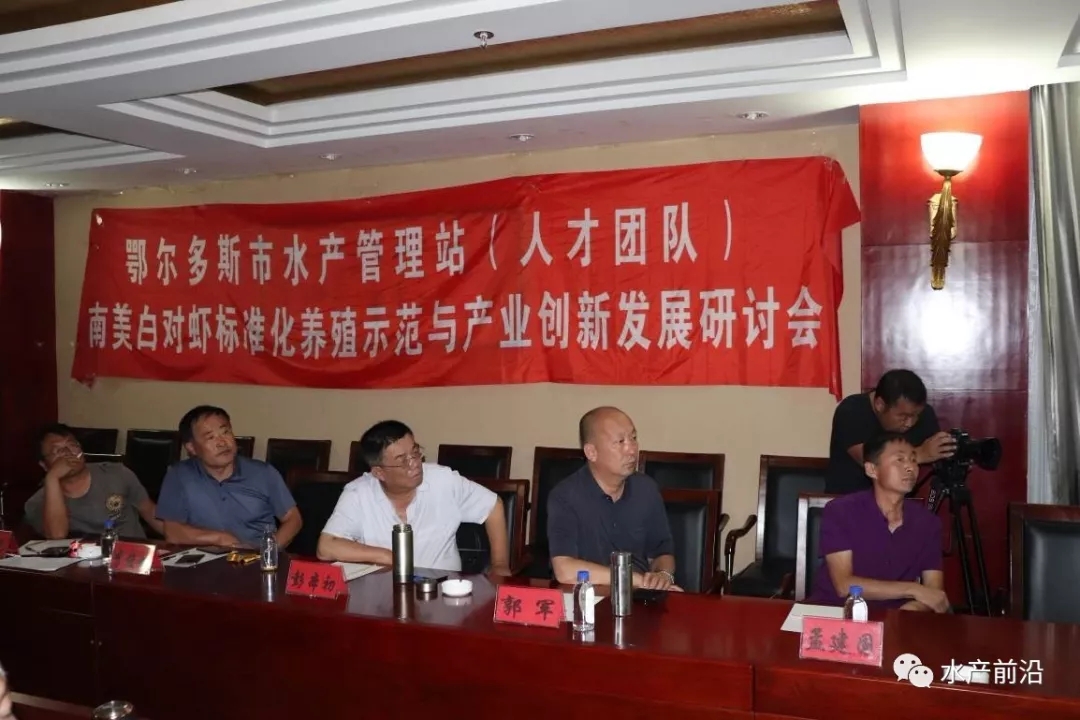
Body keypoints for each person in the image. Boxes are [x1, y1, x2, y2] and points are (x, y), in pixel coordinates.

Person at [317, 420, 511, 575]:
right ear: (379, 472)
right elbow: (326, 548)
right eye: (403, 461)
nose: (415, 463)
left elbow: (493, 506)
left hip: (442, 593)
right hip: (382, 595)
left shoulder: (443, 480)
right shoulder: (358, 493)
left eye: (415, 453)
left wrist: (500, 564)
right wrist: (388, 557)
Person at [809, 432, 949, 612]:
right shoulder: (840, 511)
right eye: (899, 460)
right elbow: (844, 586)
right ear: (871, 470)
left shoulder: (928, 522)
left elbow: (934, 593)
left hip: (896, 617)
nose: (910, 467)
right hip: (835, 612)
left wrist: (910, 610)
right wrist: (912, 589)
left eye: (913, 460)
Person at [547, 406, 680, 590]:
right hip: (587, 597)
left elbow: (661, 553)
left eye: (633, 438)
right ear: (591, 452)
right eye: (620, 442)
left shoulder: (646, 489)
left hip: (640, 599)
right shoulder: (565, 496)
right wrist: (637, 581)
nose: (631, 450)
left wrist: (662, 575)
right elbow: (565, 570)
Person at [156, 405, 301, 548]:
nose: (222, 443)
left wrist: (268, 552)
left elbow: (293, 519)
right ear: (192, 448)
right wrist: (219, 538)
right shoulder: (179, 475)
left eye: (225, 432)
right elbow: (173, 531)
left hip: (255, 556)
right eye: (210, 437)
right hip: (203, 559)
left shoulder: (263, 473)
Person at [825, 369, 956, 495]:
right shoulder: (852, 410)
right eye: (903, 416)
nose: (910, 423)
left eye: (915, 415)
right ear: (880, 405)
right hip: (848, 501)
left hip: (902, 502)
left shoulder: (924, 414)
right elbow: (870, 460)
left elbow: (935, 456)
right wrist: (921, 454)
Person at [24, 423, 162, 540]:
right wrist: (52, 478)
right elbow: (57, 535)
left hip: (130, 555)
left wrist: (173, 540)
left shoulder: (117, 473)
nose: (68, 453)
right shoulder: (37, 502)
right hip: (80, 561)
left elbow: (150, 511)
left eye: (72, 445)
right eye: (57, 451)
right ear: (44, 465)